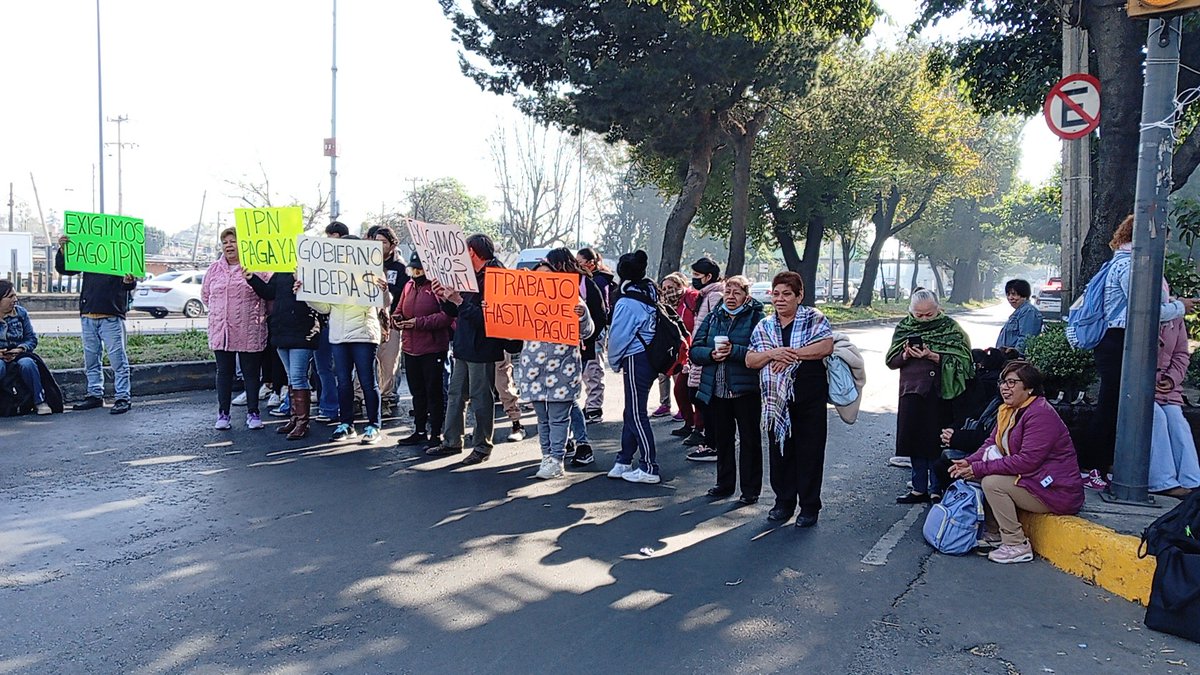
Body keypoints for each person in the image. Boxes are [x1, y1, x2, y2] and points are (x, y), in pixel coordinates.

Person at [1085, 215, 1193, 491]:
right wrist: (1180, 307)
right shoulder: (1134, 266)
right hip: (1120, 340)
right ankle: (1095, 467)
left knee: (1118, 406)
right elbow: (1145, 310)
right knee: (1114, 407)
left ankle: (1103, 465)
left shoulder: (1125, 262)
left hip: (1119, 341)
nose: (1165, 248)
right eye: (1163, 241)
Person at [950, 361, 1085, 564]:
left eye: (1012, 382)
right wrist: (968, 462)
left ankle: (1016, 544)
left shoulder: (1040, 414)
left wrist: (978, 468)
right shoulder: (1008, 410)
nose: (1005, 387)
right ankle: (994, 533)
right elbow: (991, 444)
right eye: (1003, 382)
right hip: (1032, 480)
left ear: (1029, 388)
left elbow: (1027, 461)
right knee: (977, 477)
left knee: (992, 483)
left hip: (1056, 490)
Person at [747, 271, 833, 527]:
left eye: (787, 294)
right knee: (780, 452)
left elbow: (825, 346)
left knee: (810, 452)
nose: (780, 299)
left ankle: (809, 506)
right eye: (776, 294)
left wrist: (791, 354)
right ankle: (783, 502)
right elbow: (751, 360)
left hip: (810, 396)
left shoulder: (814, 319)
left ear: (799, 296)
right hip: (776, 402)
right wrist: (773, 353)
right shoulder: (764, 325)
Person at [886, 289, 973, 504]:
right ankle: (918, 488)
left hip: (940, 393)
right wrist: (906, 354)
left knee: (937, 443)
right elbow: (890, 360)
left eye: (929, 315)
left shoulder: (951, 328)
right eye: (919, 315)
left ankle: (936, 488)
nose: (924, 319)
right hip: (912, 393)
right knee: (914, 442)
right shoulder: (904, 327)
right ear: (911, 312)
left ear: (938, 309)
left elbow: (965, 360)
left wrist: (933, 356)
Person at [428, 233, 508, 465]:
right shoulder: (467, 275)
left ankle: (483, 446)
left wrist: (459, 301)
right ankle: (452, 440)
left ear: (472, 252)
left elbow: (489, 319)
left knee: (480, 398)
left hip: (483, 347)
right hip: (464, 345)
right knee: (456, 394)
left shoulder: (497, 277)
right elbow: (454, 312)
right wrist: (444, 296)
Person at [303, 236, 388, 444]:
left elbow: (384, 303)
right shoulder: (334, 276)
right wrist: (305, 293)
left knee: (368, 381)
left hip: (364, 335)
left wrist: (384, 289)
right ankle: (346, 424)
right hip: (339, 336)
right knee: (343, 382)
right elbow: (324, 307)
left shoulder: (372, 272)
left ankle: (373, 425)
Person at [519, 253, 595, 479]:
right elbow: (509, 324)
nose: (543, 281)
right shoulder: (526, 302)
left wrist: (582, 316)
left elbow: (587, 331)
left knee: (559, 417)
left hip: (562, 370)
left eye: (548, 276)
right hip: (534, 369)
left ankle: (556, 459)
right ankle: (546, 456)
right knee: (542, 419)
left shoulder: (572, 300)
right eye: (538, 277)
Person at [690, 275, 765, 505]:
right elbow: (695, 350)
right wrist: (711, 355)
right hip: (716, 389)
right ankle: (724, 484)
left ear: (746, 296)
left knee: (750, 439)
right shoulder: (714, 317)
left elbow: (761, 351)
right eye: (728, 293)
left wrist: (734, 351)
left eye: (737, 293)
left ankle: (750, 490)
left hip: (745, 389)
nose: (731, 298)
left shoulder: (756, 318)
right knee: (723, 439)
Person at [54, 235, 138, 414]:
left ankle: (123, 397)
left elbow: (129, 285)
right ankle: (94, 394)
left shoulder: (120, 260)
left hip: (111, 316)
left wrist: (129, 282)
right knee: (91, 359)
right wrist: (62, 250)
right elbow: (65, 269)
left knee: (118, 360)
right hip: (88, 314)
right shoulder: (89, 259)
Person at [201, 227, 269, 431]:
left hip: (249, 327)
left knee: (250, 372)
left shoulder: (257, 267)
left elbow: (267, 293)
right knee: (224, 372)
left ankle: (253, 413)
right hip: (221, 329)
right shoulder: (213, 269)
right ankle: (223, 414)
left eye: (233, 241)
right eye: (225, 242)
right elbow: (205, 296)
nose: (229, 245)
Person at [606, 250, 662, 484]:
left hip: (635, 357)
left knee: (636, 412)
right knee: (632, 410)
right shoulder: (648, 291)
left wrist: (614, 361)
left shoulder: (627, 300)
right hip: (648, 357)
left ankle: (649, 466)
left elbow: (618, 337)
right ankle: (624, 459)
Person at [247, 269, 320, 440]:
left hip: (302, 331)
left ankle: (302, 422)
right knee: (291, 377)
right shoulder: (280, 273)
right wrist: (252, 279)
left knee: (297, 376)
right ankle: (295, 418)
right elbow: (269, 292)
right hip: (282, 331)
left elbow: (319, 302)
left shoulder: (310, 271)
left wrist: (303, 285)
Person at [393, 253, 452, 448]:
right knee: (417, 392)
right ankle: (419, 430)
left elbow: (446, 317)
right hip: (410, 347)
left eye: (419, 269)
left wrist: (418, 323)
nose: (416, 273)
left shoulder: (437, 288)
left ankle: (436, 433)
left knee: (434, 392)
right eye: (413, 269)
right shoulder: (409, 286)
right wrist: (397, 318)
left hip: (433, 348)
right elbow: (399, 308)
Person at [1149, 314, 1200, 498]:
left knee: (1177, 420)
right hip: (1141, 388)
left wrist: (1171, 379)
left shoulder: (1175, 319)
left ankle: (1192, 480)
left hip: (1167, 389)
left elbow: (1181, 354)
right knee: (1156, 417)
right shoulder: (1142, 314)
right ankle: (1161, 481)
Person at [567, 248, 609, 467]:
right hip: (555, 353)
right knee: (558, 400)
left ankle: (582, 439)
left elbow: (599, 316)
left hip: (581, 346)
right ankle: (564, 442)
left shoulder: (589, 284)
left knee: (571, 394)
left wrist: (587, 337)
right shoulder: (553, 287)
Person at [683, 257, 725, 457]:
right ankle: (711, 441)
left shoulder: (715, 295)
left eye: (697, 275)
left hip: (706, 355)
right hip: (700, 353)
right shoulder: (706, 294)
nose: (694, 279)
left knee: (702, 399)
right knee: (697, 396)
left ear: (709, 276)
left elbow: (716, 326)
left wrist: (704, 351)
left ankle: (712, 444)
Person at [311, 221, 350, 422]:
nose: (329, 242)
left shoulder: (355, 265)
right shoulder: (322, 262)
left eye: (332, 237)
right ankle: (328, 407)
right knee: (323, 368)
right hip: (324, 321)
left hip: (350, 325)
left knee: (344, 372)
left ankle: (342, 409)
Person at [0, 280, 57, 415]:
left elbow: (31, 339)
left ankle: (40, 401)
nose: (15, 299)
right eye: (10, 297)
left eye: (15, 296)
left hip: (19, 354)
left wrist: (21, 349)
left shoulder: (21, 314)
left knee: (28, 364)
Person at [368, 225, 408, 415]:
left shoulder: (400, 267)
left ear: (392, 245)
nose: (379, 246)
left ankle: (386, 399)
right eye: (376, 242)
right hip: (368, 319)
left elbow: (403, 294)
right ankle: (361, 399)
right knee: (368, 362)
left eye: (383, 242)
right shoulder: (365, 264)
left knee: (389, 363)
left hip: (390, 320)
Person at [576, 247, 614, 423]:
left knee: (593, 370)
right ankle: (591, 404)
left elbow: (600, 311)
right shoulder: (586, 280)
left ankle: (594, 408)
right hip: (586, 332)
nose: (577, 266)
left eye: (580, 262)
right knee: (587, 370)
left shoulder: (597, 281)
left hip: (595, 332)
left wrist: (592, 333)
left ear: (591, 263)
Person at [660, 272, 699, 440]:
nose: (669, 291)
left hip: (696, 350)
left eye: (673, 287)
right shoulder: (666, 304)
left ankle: (698, 426)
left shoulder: (692, 299)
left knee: (694, 391)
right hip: (680, 353)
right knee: (680, 389)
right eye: (666, 288)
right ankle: (688, 422)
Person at [995, 279, 1042, 355]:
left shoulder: (1028, 311)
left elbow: (1026, 337)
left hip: (1015, 361)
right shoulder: (1019, 311)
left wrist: (1015, 356)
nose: (1010, 298)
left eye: (1014, 294)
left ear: (1024, 295)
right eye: (1008, 294)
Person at [495, 355, 528, 441]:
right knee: (480, 386)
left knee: (503, 384)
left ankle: (516, 424)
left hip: (499, 345)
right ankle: (481, 428)